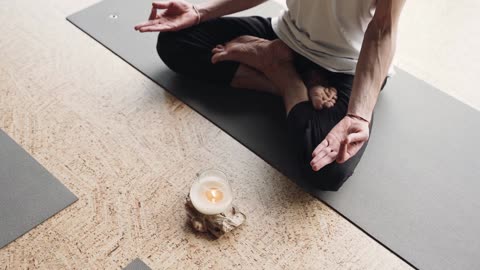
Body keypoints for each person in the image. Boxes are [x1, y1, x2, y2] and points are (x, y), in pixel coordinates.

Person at [134, 0, 405, 191]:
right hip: (287, 39)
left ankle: (280, 72)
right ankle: (288, 80)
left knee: (328, 169)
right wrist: (198, 12)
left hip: (349, 67)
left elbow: (383, 29)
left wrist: (358, 115)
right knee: (175, 42)